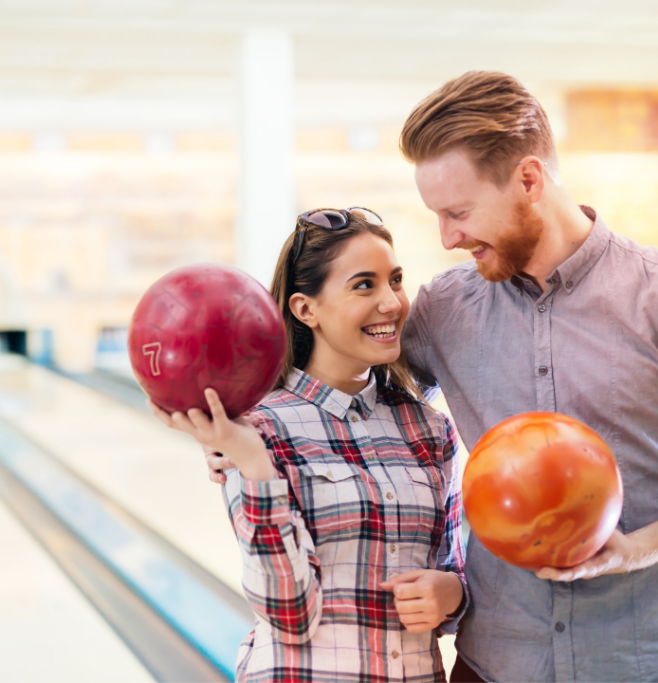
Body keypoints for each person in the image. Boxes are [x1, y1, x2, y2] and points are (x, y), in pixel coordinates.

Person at [212, 71, 658, 683]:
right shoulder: (441, 312)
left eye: (459, 212)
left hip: (648, 666)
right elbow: (343, 369)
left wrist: (634, 551)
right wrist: (227, 403)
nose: (448, 237)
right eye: (437, 215)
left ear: (529, 180)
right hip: (492, 668)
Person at [150, 208, 468, 682]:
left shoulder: (428, 428)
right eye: (364, 285)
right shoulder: (259, 429)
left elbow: (455, 570)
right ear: (306, 309)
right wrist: (252, 461)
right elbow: (288, 611)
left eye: (395, 280)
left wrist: (452, 594)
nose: (392, 302)